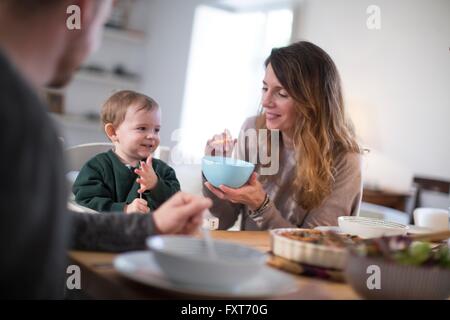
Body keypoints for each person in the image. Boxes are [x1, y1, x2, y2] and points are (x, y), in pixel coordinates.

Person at [0, 0, 211, 299]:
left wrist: (152, 224)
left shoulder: (21, 115)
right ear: (83, 11)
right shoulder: (23, 124)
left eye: (156, 130)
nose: (151, 136)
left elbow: (50, 228)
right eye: (103, 22)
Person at [204, 41, 362, 230]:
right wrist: (213, 171)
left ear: (312, 101)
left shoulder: (345, 159)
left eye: (282, 93)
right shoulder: (253, 129)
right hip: (248, 256)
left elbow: (314, 245)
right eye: (264, 88)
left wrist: (260, 205)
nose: (265, 101)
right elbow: (223, 221)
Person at [73, 90, 180, 213]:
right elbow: (86, 202)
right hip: (107, 231)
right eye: (142, 128)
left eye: (156, 130)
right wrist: (124, 209)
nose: (152, 135)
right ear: (113, 132)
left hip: (151, 231)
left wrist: (156, 185)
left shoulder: (163, 170)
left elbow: (177, 203)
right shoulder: (96, 167)